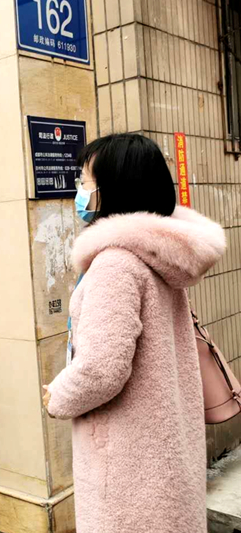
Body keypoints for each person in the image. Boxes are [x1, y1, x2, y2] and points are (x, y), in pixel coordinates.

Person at [43, 134, 226, 533]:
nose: (79, 190)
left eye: (85, 181)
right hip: (164, 451)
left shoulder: (115, 264)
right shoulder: (158, 255)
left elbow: (101, 370)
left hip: (128, 466)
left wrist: (57, 396)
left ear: (114, 188)